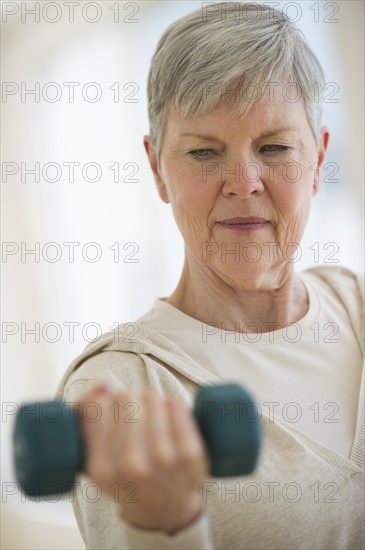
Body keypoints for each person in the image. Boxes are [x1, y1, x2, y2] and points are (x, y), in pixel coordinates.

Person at [56, 2, 364, 549]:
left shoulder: (356, 302)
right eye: (203, 152)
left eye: (274, 147)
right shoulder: (121, 391)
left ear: (317, 159)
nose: (243, 182)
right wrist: (164, 525)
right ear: (158, 170)